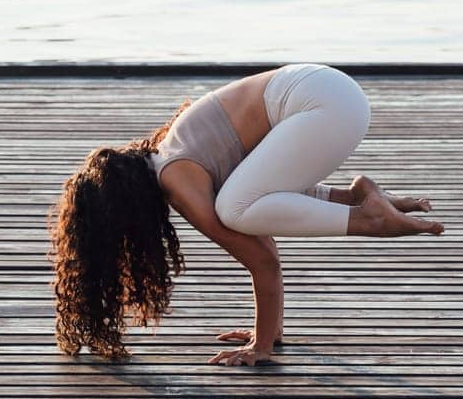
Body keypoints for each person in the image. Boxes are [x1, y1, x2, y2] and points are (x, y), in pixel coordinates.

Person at [47, 63, 442, 367]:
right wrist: (268, 330)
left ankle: (369, 218)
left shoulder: (178, 179)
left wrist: (261, 346)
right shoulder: (183, 153)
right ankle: (359, 198)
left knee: (234, 211)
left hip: (322, 104)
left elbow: (261, 259)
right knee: (245, 205)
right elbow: (271, 210)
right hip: (332, 93)